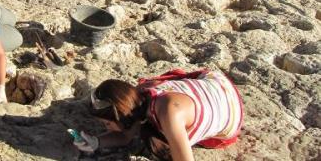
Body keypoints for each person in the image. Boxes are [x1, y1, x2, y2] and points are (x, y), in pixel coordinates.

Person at [73, 69, 244, 161]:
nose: (106, 127)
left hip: (231, 116)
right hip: (215, 83)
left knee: (156, 142)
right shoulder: (139, 97)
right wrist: (96, 141)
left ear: (122, 117)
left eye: (107, 123)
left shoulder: (169, 114)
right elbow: (125, 137)